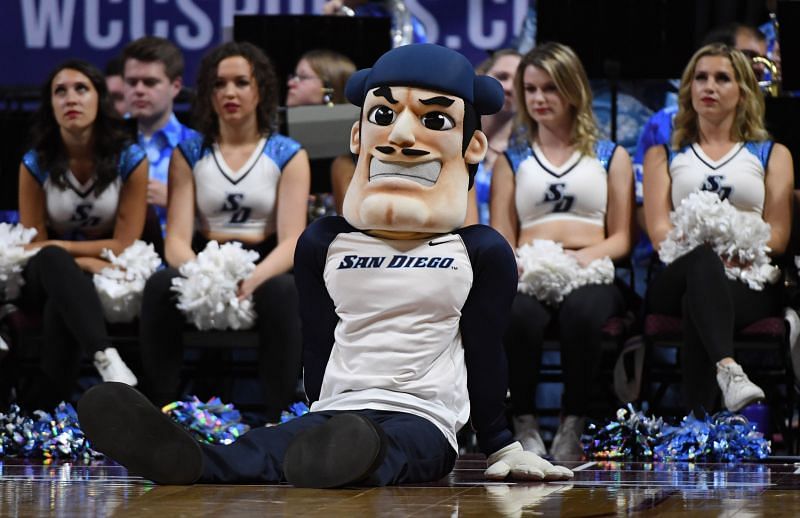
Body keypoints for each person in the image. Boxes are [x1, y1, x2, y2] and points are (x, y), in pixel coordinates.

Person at [78, 43, 573, 488]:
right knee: (267, 447)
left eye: (436, 120)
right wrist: (317, 415)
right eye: (383, 114)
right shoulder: (324, 241)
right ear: (359, 134)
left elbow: (486, 353)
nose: (401, 137)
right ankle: (188, 460)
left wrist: (501, 444)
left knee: (391, 449)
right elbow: (317, 341)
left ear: (474, 146)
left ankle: (346, 457)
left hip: (424, 418)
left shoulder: (481, 250)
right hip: (338, 410)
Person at [134, 41, 310, 424]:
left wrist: (255, 277)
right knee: (160, 286)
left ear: (259, 89)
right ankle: (158, 413)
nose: (229, 92)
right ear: (208, 93)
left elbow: (294, 239)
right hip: (204, 262)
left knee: (284, 292)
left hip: (265, 265)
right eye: (219, 84)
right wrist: (204, 277)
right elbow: (177, 239)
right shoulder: (190, 152)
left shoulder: (288, 153)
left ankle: (279, 417)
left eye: (241, 83)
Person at [490, 42, 633, 460]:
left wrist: (584, 257)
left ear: (572, 90)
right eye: (530, 89)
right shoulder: (511, 160)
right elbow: (502, 235)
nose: (538, 99)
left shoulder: (610, 156)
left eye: (549, 88)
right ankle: (525, 422)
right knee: (517, 316)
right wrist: (523, 263)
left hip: (592, 269)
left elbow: (623, 237)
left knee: (583, 312)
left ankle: (575, 421)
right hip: (531, 268)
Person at [642, 43, 793, 415]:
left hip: (748, 278)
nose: (708, 86)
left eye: (722, 78)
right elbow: (660, 234)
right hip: (676, 271)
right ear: (688, 89)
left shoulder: (771, 154)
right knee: (701, 266)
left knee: (698, 297)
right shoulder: (663, 154)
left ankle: (699, 420)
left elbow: (777, 235)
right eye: (700, 78)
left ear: (742, 91)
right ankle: (728, 370)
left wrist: (736, 248)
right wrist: (714, 248)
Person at [18, 60, 148, 408]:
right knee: (51, 258)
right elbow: (33, 244)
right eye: (60, 91)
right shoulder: (35, 161)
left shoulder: (130, 158)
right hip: (41, 274)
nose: (70, 98)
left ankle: (44, 408)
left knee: (60, 308)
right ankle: (107, 358)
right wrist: (82, 260)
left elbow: (125, 243)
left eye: (81, 89)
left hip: (106, 273)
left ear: (99, 99)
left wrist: (65, 252)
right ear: (50, 105)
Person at [122, 36, 199, 237]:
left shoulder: (199, 147)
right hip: (114, 258)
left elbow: (223, 217)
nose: (138, 90)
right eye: (131, 82)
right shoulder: (103, 144)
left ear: (175, 86)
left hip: (182, 260)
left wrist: (176, 200)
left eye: (149, 82)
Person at [285, 49, 357, 215]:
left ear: (329, 88)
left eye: (302, 77)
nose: (291, 83)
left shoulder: (360, 138)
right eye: (293, 76)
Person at [466, 49, 522, 225]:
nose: (509, 88)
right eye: (502, 77)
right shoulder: (454, 141)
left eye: (519, 83)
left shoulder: (527, 154)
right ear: (481, 77)